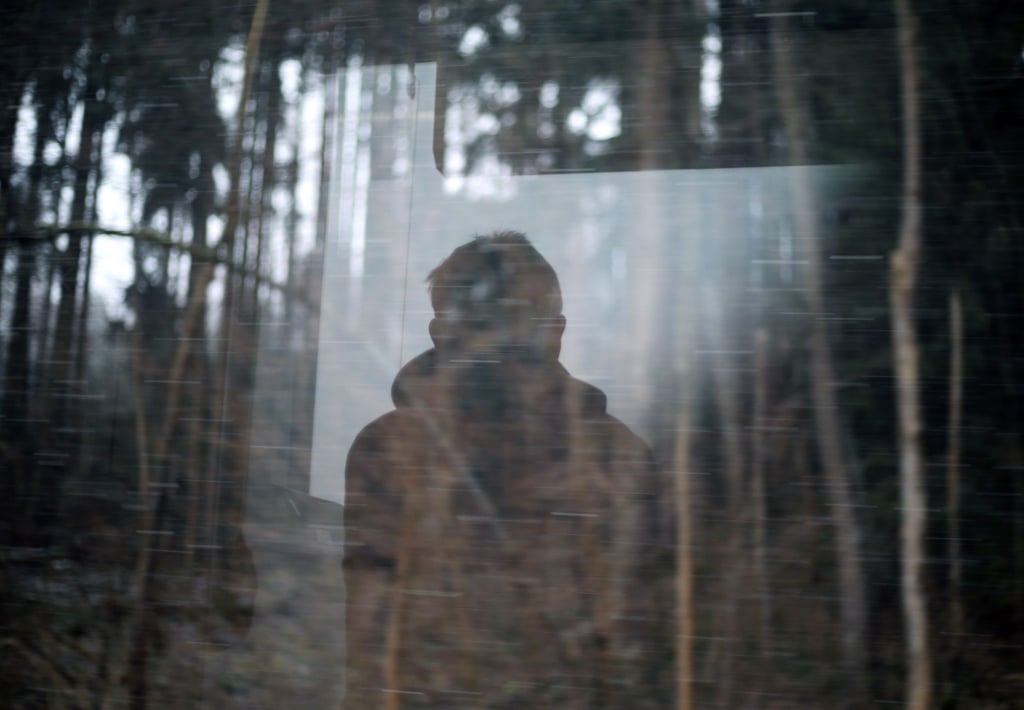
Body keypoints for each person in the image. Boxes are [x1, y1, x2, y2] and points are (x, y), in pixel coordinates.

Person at [343, 231, 659, 708]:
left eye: (511, 322)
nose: (498, 344)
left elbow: (637, 635)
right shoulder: (390, 450)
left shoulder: (615, 457)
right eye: (479, 322)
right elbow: (369, 628)